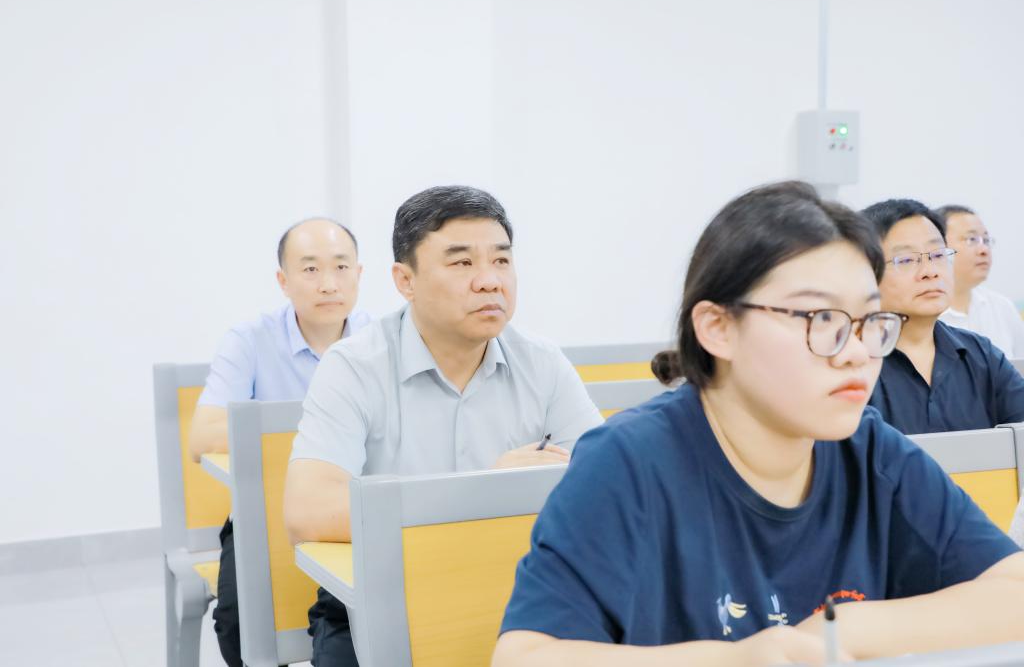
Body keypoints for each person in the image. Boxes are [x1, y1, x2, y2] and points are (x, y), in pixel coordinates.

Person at [492, 181, 1024, 666]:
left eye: (869, 320)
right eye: (822, 319)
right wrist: (737, 660)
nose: (857, 351)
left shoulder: (870, 451)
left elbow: (1013, 590)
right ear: (718, 328)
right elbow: (525, 656)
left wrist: (844, 629)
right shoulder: (629, 461)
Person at [284, 185, 604, 666]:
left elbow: (607, 484)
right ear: (405, 280)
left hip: (519, 588)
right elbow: (307, 511)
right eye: (462, 262)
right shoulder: (354, 366)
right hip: (380, 598)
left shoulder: (542, 362)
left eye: (501, 260)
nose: (489, 281)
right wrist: (483, 491)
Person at [189, 218, 368, 667]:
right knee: (237, 625)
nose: (328, 283)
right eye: (310, 269)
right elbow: (201, 436)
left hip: (352, 511)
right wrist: (320, 431)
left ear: (359, 274)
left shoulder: (381, 338)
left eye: (341, 266)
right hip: (263, 514)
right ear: (283, 281)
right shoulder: (249, 340)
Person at [861, 199, 1024, 435]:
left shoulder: (982, 355)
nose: (930, 272)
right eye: (906, 260)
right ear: (865, 273)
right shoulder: (850, 363)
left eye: (938, 255)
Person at [935, 204, 1024, 359]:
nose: (984, 250)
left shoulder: (1002, 307)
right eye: (972, 239)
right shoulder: (924, 314)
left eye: (986, 240)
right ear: (938, 248)